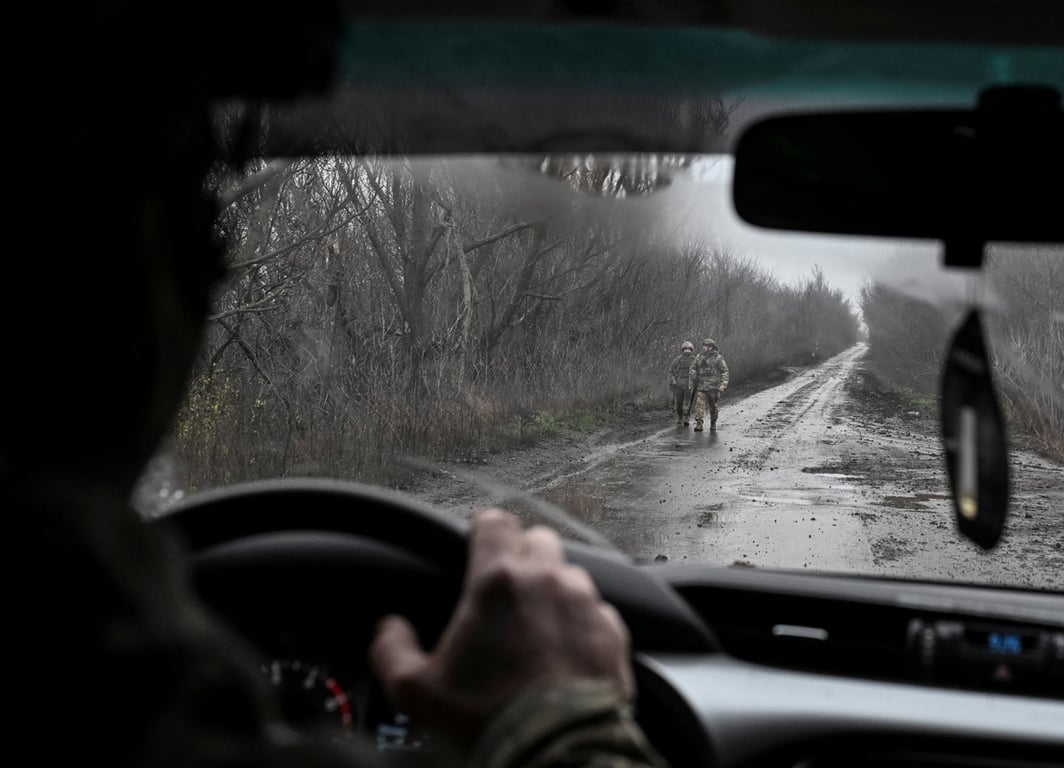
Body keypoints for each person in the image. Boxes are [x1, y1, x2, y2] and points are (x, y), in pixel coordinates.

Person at [9, 4, 668, 768]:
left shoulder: (81, 652)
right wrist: (560, 723)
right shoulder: (108, 674)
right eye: (197, 217)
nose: (216, 271)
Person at [689, 339, 730, 432]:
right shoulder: (699, 357)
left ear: (710, 347)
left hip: (714, 387)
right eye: (703, 345)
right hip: (701, 386)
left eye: (706, 346)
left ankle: (713, 422)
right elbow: (693, 368)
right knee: (699, 405)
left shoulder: (718, 358)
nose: (703, 347)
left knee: (714, 406)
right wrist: (694, 377)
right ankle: (699, 423)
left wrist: (723, 384)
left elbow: (724, 371)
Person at [666, 341, 696, 425]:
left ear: (691, 350)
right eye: (685, 349)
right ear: (682, 350)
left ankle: (687, 417)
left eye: (689, 349)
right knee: (679, 402)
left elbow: (699, 370)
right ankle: (680, 416)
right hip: (679, 383)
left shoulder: (694, 360)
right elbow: (670, 371)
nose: (687, 351)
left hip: (689, 383)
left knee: (688, 402)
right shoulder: (678, 359)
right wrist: (673, 380)